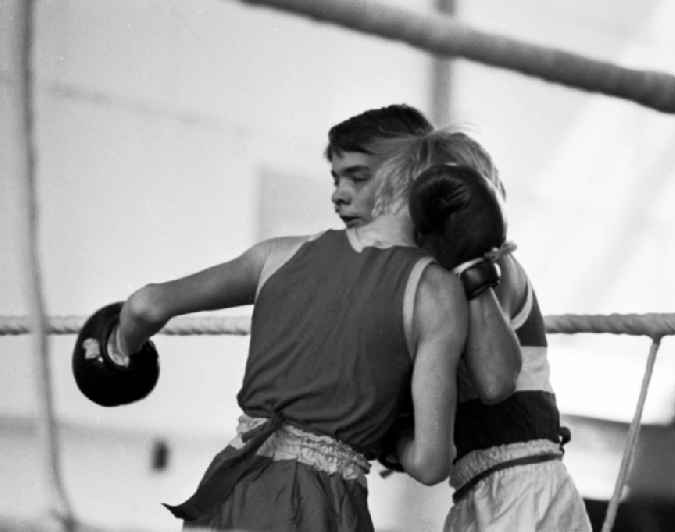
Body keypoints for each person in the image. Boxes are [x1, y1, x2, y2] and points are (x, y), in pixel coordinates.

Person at [103, 138, 472, 530]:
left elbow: (146, 305)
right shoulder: (436, 291)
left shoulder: (278, 254)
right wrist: (390, 437)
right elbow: (432, 465)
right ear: (454, 207)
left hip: (234, 480)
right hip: (319, 504)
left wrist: (118, 350)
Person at [325, 109, 590, 531]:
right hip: (476, 491)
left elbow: (495, 381)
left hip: (526, 488)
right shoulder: (428, 290)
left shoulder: (496, 265)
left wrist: (471, 267)